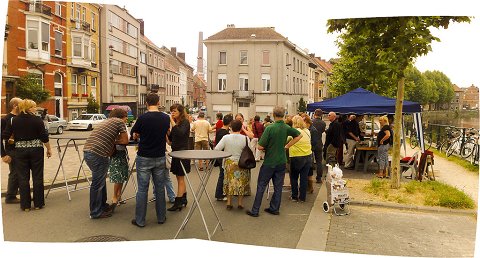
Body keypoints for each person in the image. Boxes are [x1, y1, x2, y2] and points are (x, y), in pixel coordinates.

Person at [246, 106, 302, 217]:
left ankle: (255, 210)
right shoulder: (286, 127)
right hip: (281, 161)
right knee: (278, 186)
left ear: (273, 114)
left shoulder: (270, 128)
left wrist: (267, 147)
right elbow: (299, 135)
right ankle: (274, 208)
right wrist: (287, 146)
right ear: (284, 115)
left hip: (269, 162)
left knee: (261, 185)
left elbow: (260, 146)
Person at [2, 99, 52, 211]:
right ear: (28, 108)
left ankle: (25, 205)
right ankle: (38, 204)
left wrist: (11, 142)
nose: (35, 109)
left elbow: (5, 135)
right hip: (36, 151)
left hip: (20, 151)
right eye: (34, 107)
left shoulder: (13, 120)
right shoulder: (37, 120)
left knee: (23, 178)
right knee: (37, 176)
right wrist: (49, 149)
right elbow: (44, 137)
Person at [130, 93, 170, 227]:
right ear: (159, 103)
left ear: (146, 103)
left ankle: (140, 220)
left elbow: (134, 133)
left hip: (144, 156)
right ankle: (161, 217)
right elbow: (167, 133)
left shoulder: (142, 118)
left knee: (142, 189)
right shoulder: (165, 118)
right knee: (159, 188)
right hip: (159, 156)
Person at [84, 108, 128, 218]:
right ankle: (95, 212)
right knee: (97, 184)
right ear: (121, 116)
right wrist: (114, 141)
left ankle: (102, 206)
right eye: (126, 117)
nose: (126, 119)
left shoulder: (106, 121)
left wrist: (112, 141)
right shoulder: (119, 122)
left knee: (100, 181)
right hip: (98, 154)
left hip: (89, 152)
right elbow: (125, 140)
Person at [214, 120, 251, 210]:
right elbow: (251, 151)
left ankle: (229, 202)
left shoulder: (226, 138)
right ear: (241, 128)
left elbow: (217, 149)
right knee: (241, 183)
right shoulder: (245, 138)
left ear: (230, 127)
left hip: (229, 163)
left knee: (228, 183)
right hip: (241, 163)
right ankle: (240, 203)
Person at [166, 103, 191, 211]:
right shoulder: (177, 123)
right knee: (179, 177)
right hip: (176, 152)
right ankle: (183, 199)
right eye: (171, 111)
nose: (172, 113)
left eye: (175, 111)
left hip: (182, 154)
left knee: (180, 177)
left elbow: (180, 133)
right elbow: (171, 141)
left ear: (180, 112)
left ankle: (178, 202)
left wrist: (172, 122)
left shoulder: (185, 122)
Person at [1, 97, 22, 204]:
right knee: (14, 173)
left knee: (20, 173)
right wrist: (3, 154)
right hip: (11, 150)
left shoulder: (21, 117)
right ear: (15, 106)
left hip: (21, 149)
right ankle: (10, 196)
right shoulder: (5, 119)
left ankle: (19, 194)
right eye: (20, 104)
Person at [107, 110, 130, 207]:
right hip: (116, 153)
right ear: (119, 118)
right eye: (125, 116)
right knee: (117, 176)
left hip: (122, 152)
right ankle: (114, 197)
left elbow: (126, 138)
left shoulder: (123, 125)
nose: (127, 118)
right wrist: (119, 141)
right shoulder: (116, 125)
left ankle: (119, 195)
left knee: (122, 175)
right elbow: (121, 140)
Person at [288, 115, 312, 202]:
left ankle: (294, 196)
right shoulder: (307, 131)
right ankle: (302, 197)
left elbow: (287, 140)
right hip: (308, 156)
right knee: (304, 178)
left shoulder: (293, 132)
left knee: (294, 177)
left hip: (296, 156)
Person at [214, 114, 233, 201]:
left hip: (219, 156)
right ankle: (219, 194)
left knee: (222, 175)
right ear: (230, 123)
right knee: (222, 175)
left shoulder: (219, 131)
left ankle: (220, 193)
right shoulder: (226, 134)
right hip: (223, 156)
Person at [301, 114, 319, 193]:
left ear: (306, 121)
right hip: (305, 152)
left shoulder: (313, 130)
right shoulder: (306, 129)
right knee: (307, 170)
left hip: (309, 152)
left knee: (309, 171)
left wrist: (308, 147)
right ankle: (306, 187)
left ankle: (310, 187)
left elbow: (314, 142)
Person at [312, 109, 326, 183]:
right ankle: (319, 178)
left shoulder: (311, 122)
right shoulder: (323, 123)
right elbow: (323, 131)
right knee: (319, 162)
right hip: (319, 143)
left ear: (314, 114)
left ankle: (309, 177)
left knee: (310, 160)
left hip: (311, 143)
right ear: (321, 115)